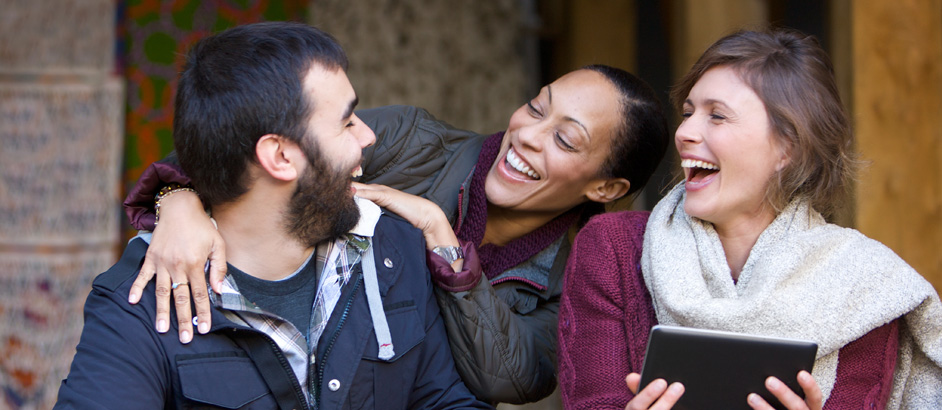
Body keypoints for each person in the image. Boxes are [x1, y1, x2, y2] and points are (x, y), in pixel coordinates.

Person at [121, 65, 671, 403]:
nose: (527, 135)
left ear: (605, 187)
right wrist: (179, 203)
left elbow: (508, 380)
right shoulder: (412, 141)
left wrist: (439, 236)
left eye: (566, 140)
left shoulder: (582, 275)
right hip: (264, 370)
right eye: (536, 107)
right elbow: (255, 154)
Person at [55, 22, 491, 410]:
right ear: (280, 156)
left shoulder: (393, 249)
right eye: (346, 122)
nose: (369, 136)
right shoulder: (140, 305)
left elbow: (448, 400)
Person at [557, 28, 942, 410]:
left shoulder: (867, 284)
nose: (685, 131)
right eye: (688, 113)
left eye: (718, 116)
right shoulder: (613, 249)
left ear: (787, 147)